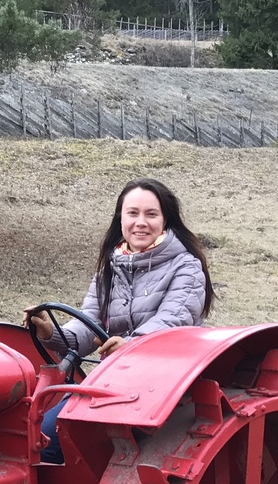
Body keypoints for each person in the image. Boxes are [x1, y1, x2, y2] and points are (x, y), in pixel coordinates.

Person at [27, 178, 215, 462]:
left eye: (151, 214)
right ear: (121, 219)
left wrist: (129, 346)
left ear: (166, 220)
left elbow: (173, 322)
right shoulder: (111, 266)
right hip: (113, 386)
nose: (141, 222)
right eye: (133, 213)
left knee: (59, 442)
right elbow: (87, 324)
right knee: (39, 437)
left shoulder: (186, 267)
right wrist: (50, 332)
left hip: (165, 389)